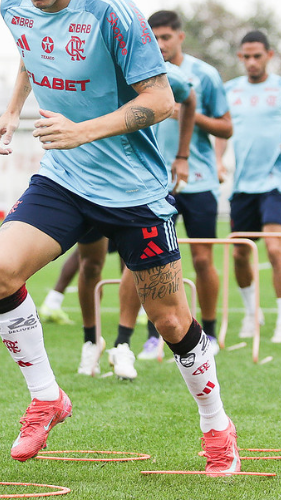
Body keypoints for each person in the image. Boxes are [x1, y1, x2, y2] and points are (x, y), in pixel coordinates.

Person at [0, 0, 239, 473]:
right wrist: (12, 109)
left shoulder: (112, 10)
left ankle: (216, 424)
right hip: (64, 177)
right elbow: (33, 53)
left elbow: (161, 100)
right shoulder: (14, 4)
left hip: (134, 191)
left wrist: (82, 131)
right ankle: (47, 397)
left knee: (170, 321)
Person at [75, 63, 198, 379]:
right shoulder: (82, 62)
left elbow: (188, 96)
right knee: (89, 266)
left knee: (136, 263)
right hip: (86, 183)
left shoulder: (158, 71)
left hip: (136, 187)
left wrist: (182, 155)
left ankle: (123, 345)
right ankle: (91, 341)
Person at [143, 10, 232, 356]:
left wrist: (189, 115)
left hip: (199, 180)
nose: (160, 44)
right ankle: (154, 337)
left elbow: (227, 128)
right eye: (155, 38)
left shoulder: (204, 75)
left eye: (166, 37)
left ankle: (208, 334)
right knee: (154, 262)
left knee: (203, 259)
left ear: (180, 37)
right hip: (154, 182)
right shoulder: (144, 73)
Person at [215, 30, 281, 343]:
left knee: (274, 248)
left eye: (258, 56)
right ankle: (251, 313)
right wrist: (218, 160)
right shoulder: (230, 90)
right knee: (241, 254)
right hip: (242, 185)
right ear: (240, 57)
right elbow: (222, 131)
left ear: (269, 55)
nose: (252, 61)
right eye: (246, 56)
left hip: (275, 182)